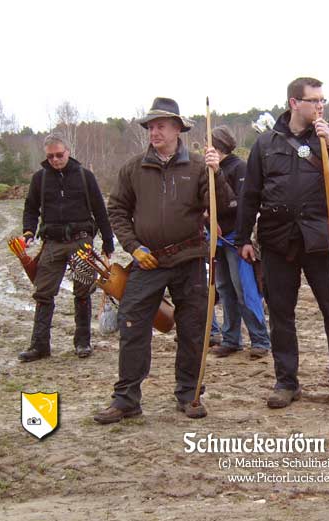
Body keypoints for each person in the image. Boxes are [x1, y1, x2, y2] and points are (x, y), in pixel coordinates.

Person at [93, 97, 231, 424]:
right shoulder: (132, 169)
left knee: (193, 327)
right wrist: (134, 247)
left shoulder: (199, 166)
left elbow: (222, 205)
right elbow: (117, 211)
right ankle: (126, 398)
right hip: (148, 260)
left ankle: (188, 393)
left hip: (190, 258)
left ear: (177, 129)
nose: (154, 132)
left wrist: (217, 172)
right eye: (150, 126)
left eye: (160, 126)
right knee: (132, 322)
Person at [236, 77, 329, 412]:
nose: (320, 106)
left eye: (322, 100)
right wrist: (243, 238)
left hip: (323, 238)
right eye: (313, 100)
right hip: (278, 240)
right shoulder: (266, 144)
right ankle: (286, 382)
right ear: (294, 103)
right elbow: (250, 195)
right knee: (280, 314)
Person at [20, 132, 114, 362]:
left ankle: (83, 342)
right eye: (50, 156)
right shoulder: (39, 179)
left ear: (68, 152)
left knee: (83, 291)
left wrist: (108, 243)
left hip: (81, 242)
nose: (55, 160)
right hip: (51, 243)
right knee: (43, 293)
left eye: (59, 155)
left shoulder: (85, 176)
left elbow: (100, 211)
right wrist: (29, 232)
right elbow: (31, 208)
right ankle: (40, 345)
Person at [208, 125, 271, 359]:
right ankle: (231, 338)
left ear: (217, 145)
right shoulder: (209, 170)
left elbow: (242, 204)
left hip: (235, 238)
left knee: (244, 289)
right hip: (218, 240)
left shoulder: (239, 168)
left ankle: (260, 340)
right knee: (224, 290)